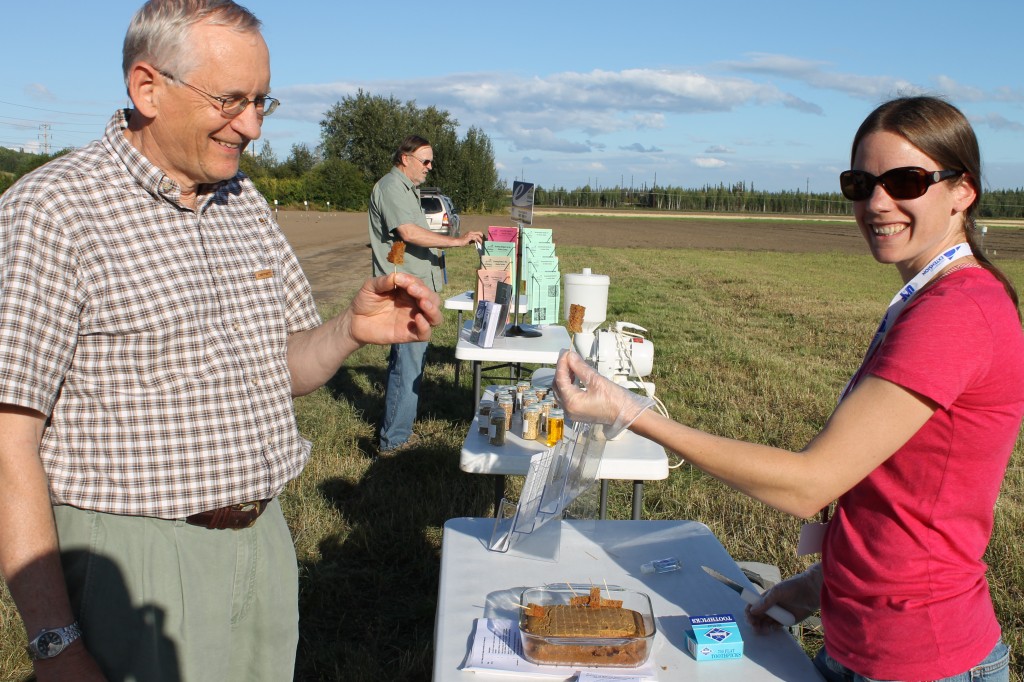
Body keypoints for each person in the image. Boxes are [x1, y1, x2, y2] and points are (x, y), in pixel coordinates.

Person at [0, 2, 442, 681]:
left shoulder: (243, 202)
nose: (253, 125)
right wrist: (56, 645)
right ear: (147, 88)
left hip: (263, 544)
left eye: (261, 101)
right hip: (135, 562)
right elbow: (9, 443)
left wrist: (349, 331)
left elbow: (284, 369)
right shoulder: (52, 212)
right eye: (231, 100)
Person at [553, 96, 1020, 682]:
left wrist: (630, 410)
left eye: (906, 181)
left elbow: (810, 484)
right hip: (862, 640)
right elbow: (906, 494)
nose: (877, 203)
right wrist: (820, 584)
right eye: (861, 183)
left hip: (921, 657)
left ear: (962, 191)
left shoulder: (956, 313)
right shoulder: (936, 301)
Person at [369, 136, 483, 454]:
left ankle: (397, 431)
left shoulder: (408, 189)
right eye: (425, 160)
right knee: (407, 363)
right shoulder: (392, 187)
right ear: (405, 158)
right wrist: (457, 241)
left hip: (414, 286)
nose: (430, 167)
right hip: (406, 289)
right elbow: (408, 232)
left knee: (408, 360)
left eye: (431, 161)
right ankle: (394, 440)